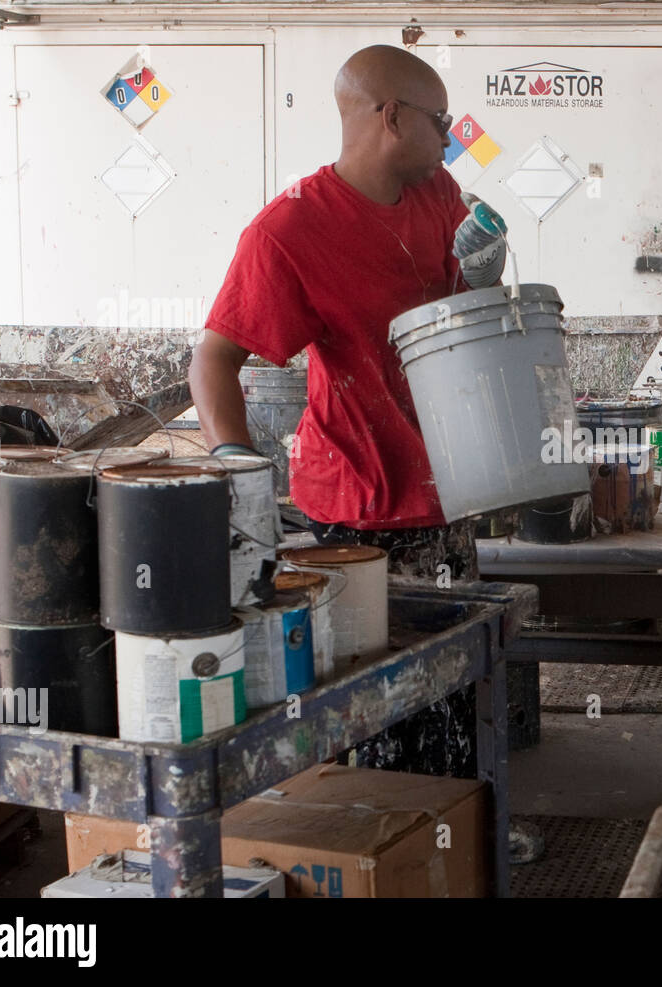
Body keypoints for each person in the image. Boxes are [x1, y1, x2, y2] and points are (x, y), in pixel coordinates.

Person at [190, 45, 505, 777]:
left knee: (453, 697)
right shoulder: (289, 232)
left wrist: (488, 280)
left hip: (447, 490)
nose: (451, 137)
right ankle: (369, 848)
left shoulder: (439, 195)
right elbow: (212, 360)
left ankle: (447, 841)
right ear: (391, 117)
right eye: (442, 121)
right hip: (356, 513)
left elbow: (465, 324)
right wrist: (235, 467)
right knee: (371, 711)